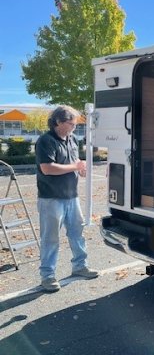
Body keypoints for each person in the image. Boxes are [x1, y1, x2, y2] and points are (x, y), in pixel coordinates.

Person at [35, 105, 99, 292]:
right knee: (50, 238)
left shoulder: (72, 140)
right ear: (58, 122)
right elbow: (47, 168)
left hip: (72, 197)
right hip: (51, 198)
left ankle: (80, 266)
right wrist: (75, 167)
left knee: (76, 233)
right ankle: (47, 276)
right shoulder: (45, 141)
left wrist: (82, 168)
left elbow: (76, 163)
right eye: (71, 123)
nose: (74, 127)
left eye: (75, 124)